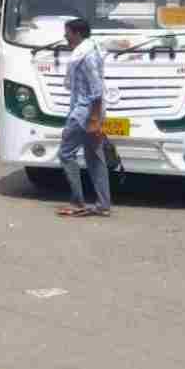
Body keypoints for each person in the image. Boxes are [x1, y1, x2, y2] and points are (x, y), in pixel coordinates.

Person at [56, 18, 110, 219]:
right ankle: (103, 204)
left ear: (77, 34)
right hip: (88, 112)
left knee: (66, 153)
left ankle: (77, 202)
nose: (65, 36)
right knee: (95, 158)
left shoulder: (86, 56)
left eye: (67, 33)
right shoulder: (88, 51)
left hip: (84, 113)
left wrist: (94, 121)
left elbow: (96, 90)